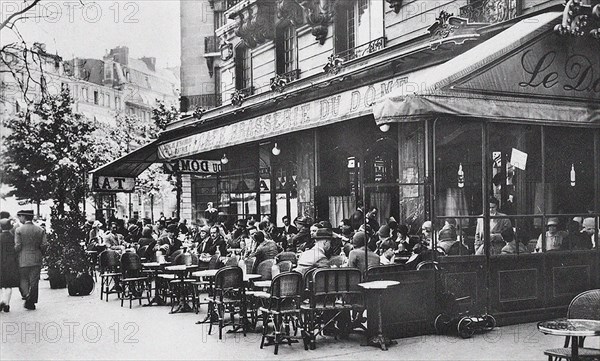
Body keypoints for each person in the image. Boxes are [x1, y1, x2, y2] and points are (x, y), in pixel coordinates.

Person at [14, 210, 47, 310]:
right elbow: (44, 244)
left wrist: (16, 253)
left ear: (24, 217)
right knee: (34, 281)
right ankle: (32, 301)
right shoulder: (40, 230)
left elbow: (18, 246)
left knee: (23, 278)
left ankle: (26, 295)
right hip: (36, 257)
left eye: (20, 217)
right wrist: (40, 252)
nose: (19, 219)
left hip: (23, 258)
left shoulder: (19, 230)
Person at [0, 219, 20, 312]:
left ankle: (2, 301)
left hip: (1, 264)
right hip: (11, 264)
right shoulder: (13, 237)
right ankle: (6, 304)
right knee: (8, 285)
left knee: (1, 285)